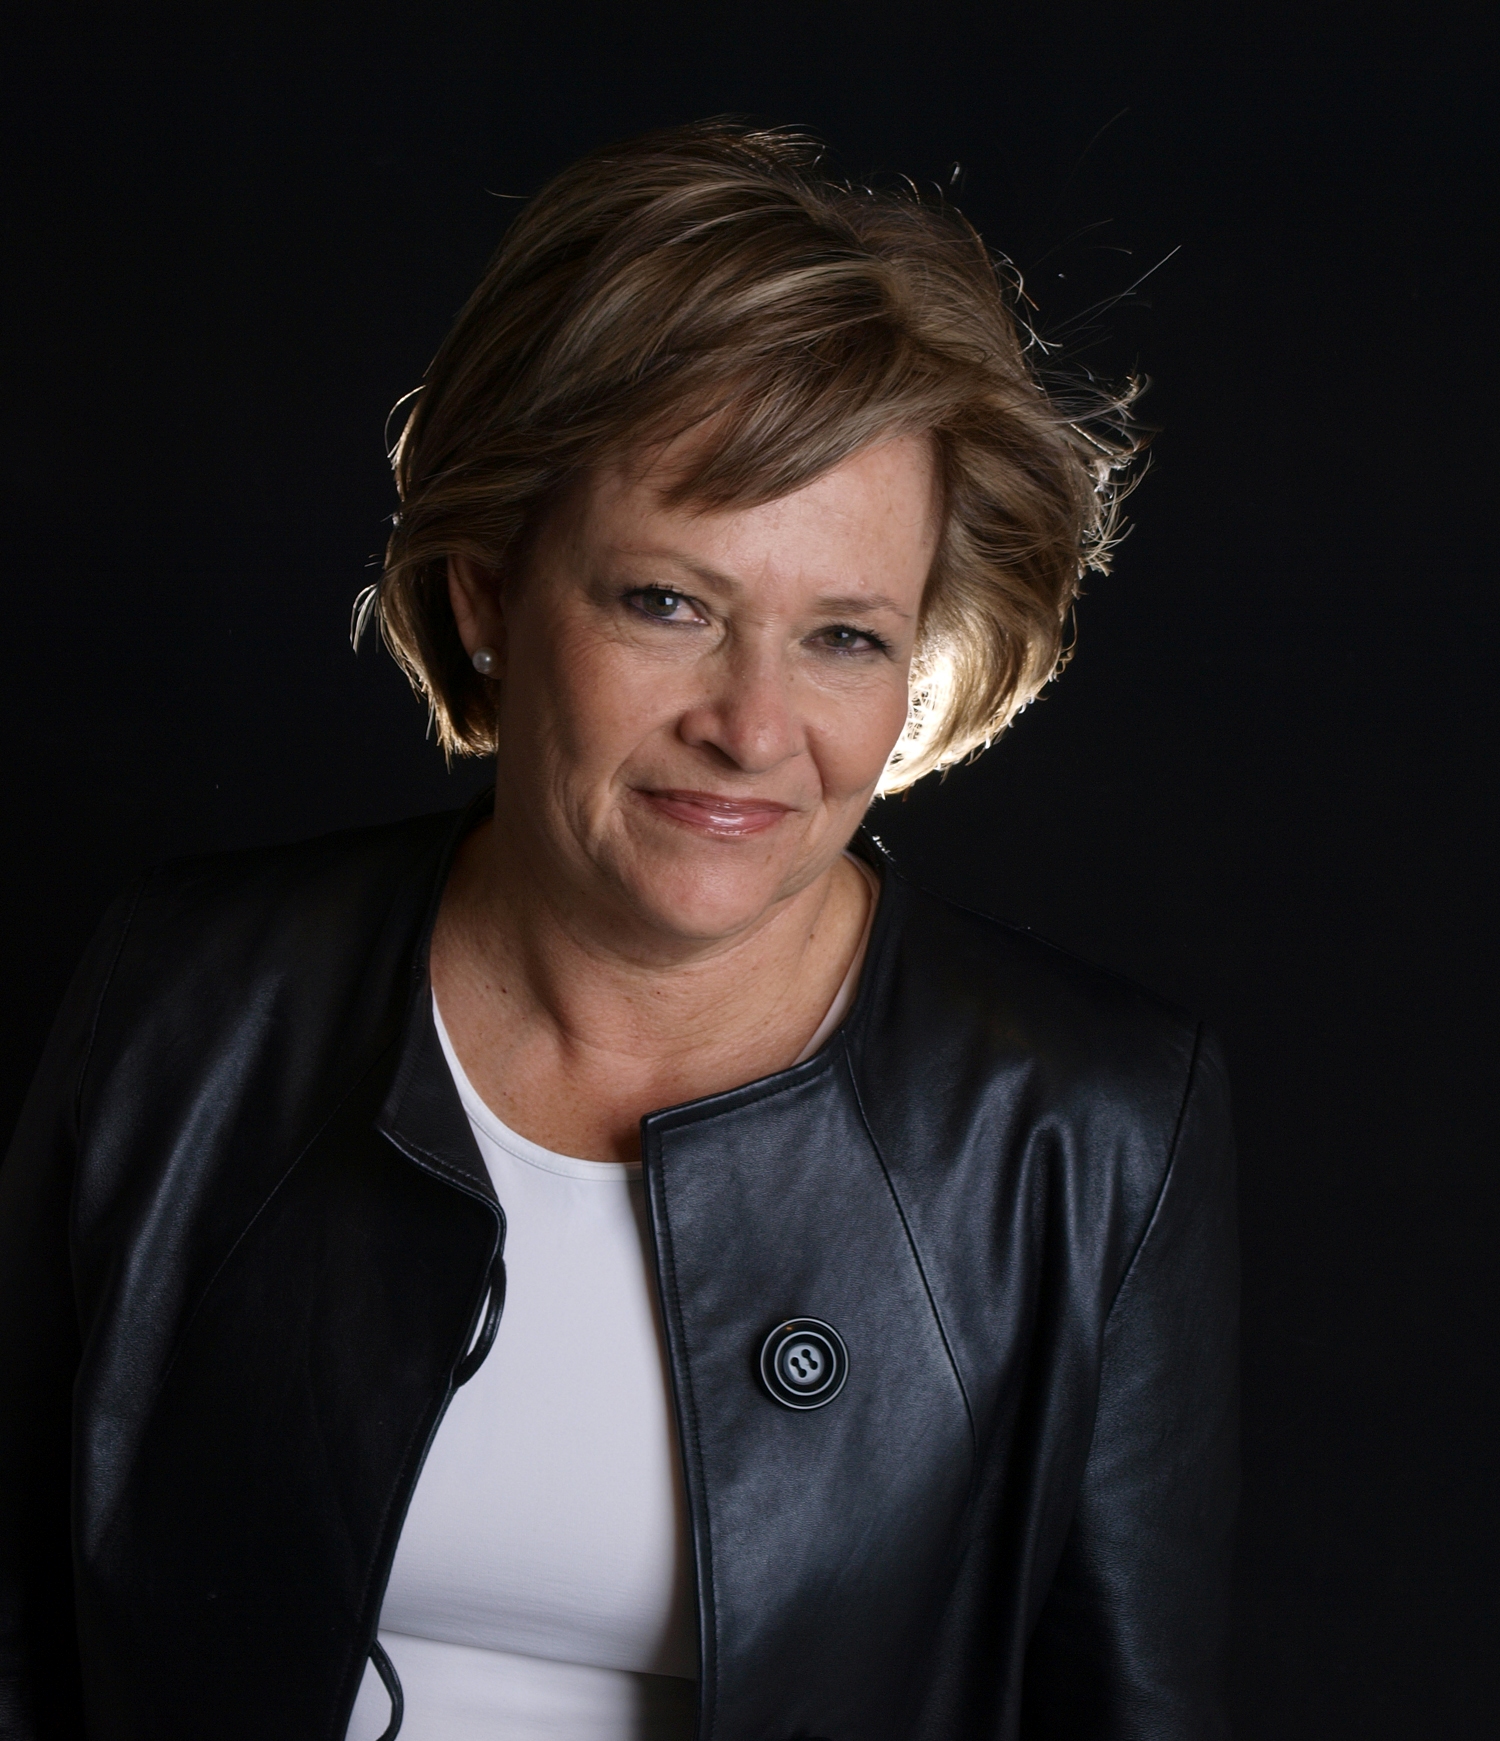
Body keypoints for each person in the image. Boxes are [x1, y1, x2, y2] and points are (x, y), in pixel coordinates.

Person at [0, 123, 1237, 1741]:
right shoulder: (186, 1002)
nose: (754, 726)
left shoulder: (1086, 1130)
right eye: (670, 602)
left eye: (846, 636)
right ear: (486, 589)